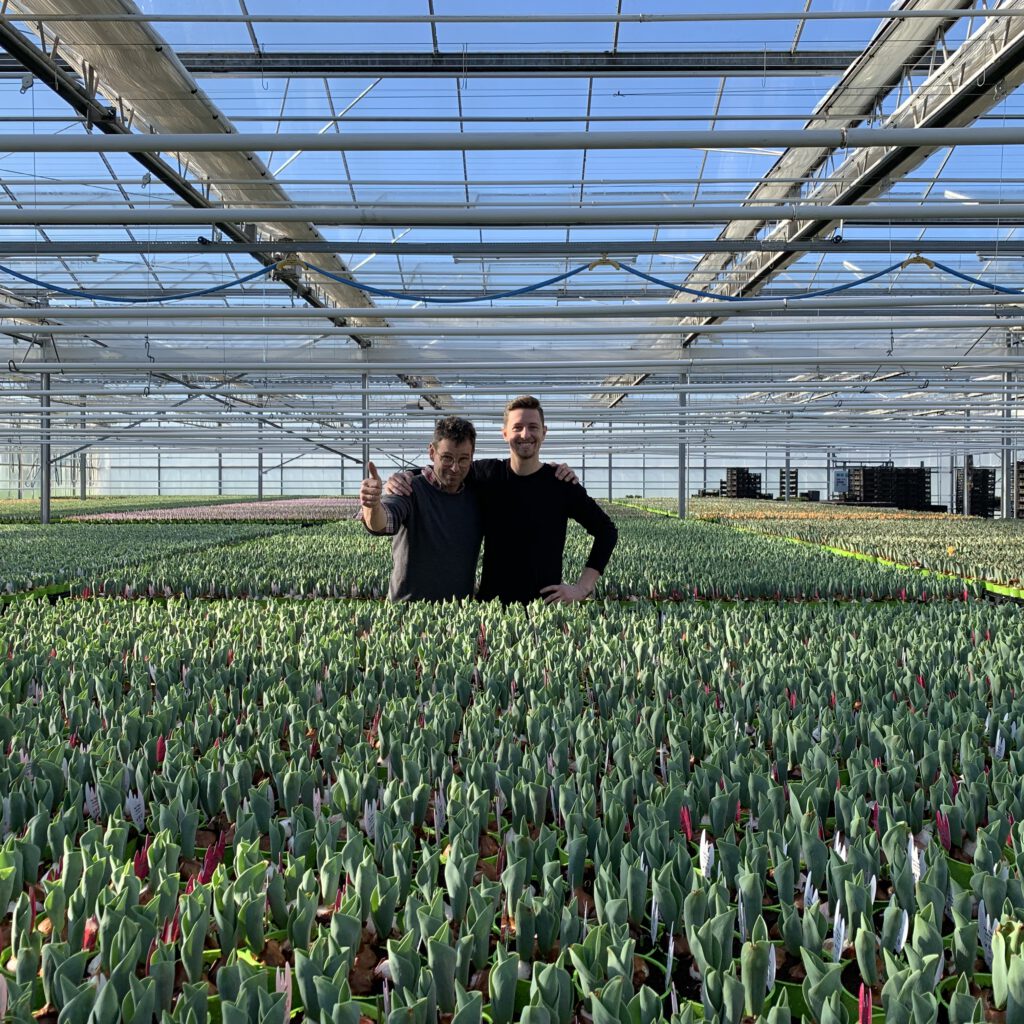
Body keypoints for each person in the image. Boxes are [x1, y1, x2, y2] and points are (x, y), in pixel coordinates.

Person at [387, 396, 617, 605]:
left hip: (545, 608)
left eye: (533, 427)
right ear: (505, 433)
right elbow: (447, 468)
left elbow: (606, 531)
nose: (525, 434)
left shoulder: (561, 484)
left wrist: (582, 587)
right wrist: (407, 474)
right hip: (492, 607)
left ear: (544, 432)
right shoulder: (487, 474)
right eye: (517, 427)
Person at [360, 415, 482, 602]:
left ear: (472, 456)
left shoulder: (477, 495)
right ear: (432, 453)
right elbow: (383, 523)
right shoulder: (409, 489)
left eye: (463, 459)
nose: (455, 468)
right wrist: (372, 506)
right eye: (447, 458)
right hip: (407, 615)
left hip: (458, 619)